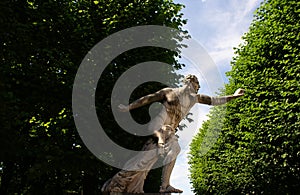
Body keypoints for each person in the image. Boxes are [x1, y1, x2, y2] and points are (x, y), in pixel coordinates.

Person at [102, 74, 245, 193]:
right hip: (159, 125)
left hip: (170, 131)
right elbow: (148, 98)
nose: (197, 88)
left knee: (175, 149)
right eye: (196, 85)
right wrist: (128, 107)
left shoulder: (194, 98)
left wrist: (233, 96)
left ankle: (165, 186)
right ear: (190, 82)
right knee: (151, 150)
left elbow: (213, 101)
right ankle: (118, 183)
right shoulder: (169, 92)